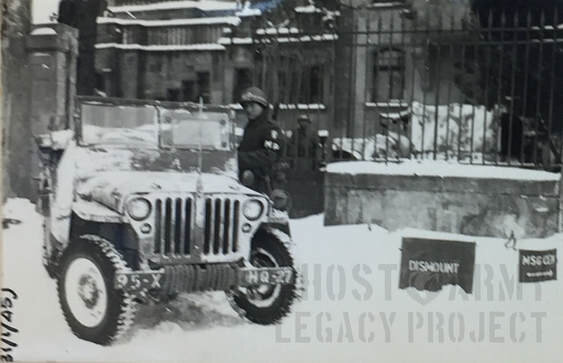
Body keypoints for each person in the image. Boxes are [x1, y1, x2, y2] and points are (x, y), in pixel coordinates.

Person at [238, 86, 285, 193]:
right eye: (246, 106)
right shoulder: (250, 127)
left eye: (252, 106)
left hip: (263, 183)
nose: (248, 109)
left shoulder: (271, 128)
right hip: (246, 181)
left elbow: (269, 156)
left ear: (262, 106)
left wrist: (238, 158)